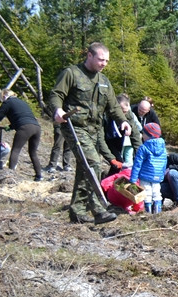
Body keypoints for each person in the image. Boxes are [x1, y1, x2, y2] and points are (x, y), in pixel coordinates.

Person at [49, 42, 131, 224]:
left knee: (83, 168)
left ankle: (77, 211)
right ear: (89, 56)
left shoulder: (104, 81)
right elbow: (56, 94)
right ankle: (98, 209)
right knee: (93, 162)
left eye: (107, 61)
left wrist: (123, 121)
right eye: (101, 60)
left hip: (94, 130)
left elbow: (113, 106)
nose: (104, 64)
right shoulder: (72, 73)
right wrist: (57, 110)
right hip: (75, 127)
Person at [0, 89, 44, 181]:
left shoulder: (7, 102)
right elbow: (22, 116)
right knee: (33, 153)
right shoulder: (22, 102)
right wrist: (10, 126)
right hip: (37, 127)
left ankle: (10, 176)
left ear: (4, 96)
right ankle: (39, 176)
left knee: (15, 150)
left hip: (25, 128)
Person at [129, 122, 167, 214]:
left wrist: (133, 179)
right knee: (157, 193)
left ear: (149, 135)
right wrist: (162, 175)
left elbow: (137, 164)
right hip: (157, 176)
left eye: (144, 134)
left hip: (145, 175)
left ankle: (148, 212)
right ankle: (157, 212)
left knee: (147, 193)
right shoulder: (163, 148)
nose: (142, 136)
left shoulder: (143, 148)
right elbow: (164, 163)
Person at [105, 93, 141, 165]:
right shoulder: (106, 115)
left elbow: (135, 134)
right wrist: (111, 158)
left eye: (126, 111)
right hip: (104, 138)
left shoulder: (128, 114)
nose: (124, 114)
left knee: (119, 163)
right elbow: (101, 137)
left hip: (118, 139)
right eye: (123, 111)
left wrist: (140, 153)